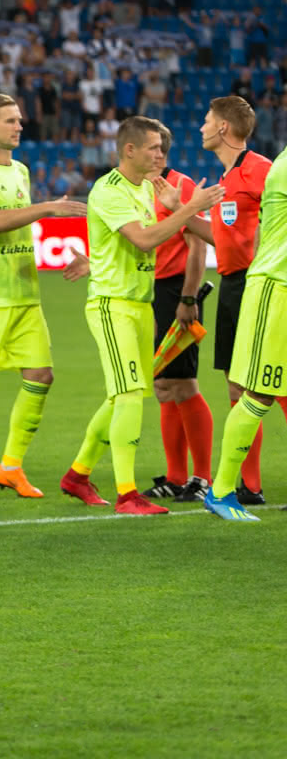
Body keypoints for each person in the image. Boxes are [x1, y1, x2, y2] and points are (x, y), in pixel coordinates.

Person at [60, 118, 223, 513]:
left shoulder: (143, 189)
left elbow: (128, 252)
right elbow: (145, 239)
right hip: (112, 306)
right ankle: (127, 494)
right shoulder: (111, 189)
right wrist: (190, 209)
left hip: (137, 304)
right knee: (131, 394)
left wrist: (176, 209)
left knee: (121, 397)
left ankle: (78, 475)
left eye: (163, 149)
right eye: (153, 148)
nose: (160, 155)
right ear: (129, 150)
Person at [0, 94, 88, 501]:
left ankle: (10, 467)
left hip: (25, 295)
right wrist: (47, 208)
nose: (19, 126)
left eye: (20, 120)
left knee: (41, 376)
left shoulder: (22, 171)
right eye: (10, 120)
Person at [199, 96, 279, 504]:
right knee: (237, 383)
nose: (201, 128)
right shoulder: (225, 180)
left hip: (258, 283)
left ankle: (243, 483)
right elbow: (223, 239)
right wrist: (183, 215)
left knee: (270, 383)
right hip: (231, 284)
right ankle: (250, 485)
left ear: (224, 129)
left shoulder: (262, 170)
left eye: (208, 121)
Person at [142, 122, 214, 503]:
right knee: (164, 387)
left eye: (157, 148)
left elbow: (199, 248)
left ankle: (202, 478)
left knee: (184, 384)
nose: (153, 154)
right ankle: (175, 475)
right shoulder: (136, 187)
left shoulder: (181, 186)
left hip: (176, 291)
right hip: (150, 291)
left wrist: (188, 299)